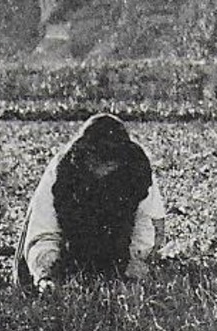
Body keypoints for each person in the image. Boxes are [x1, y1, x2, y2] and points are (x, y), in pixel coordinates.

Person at [15, 114, 166, 292]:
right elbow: (44, 232)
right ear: (85, 156)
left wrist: (136, 261)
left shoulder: (137, 169)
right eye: (97, 165)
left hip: (117, 248)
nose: (103, 173)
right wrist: (46, 274)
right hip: (68, 247)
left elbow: (147, 225)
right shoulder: (61, 171)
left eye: (109, 167)